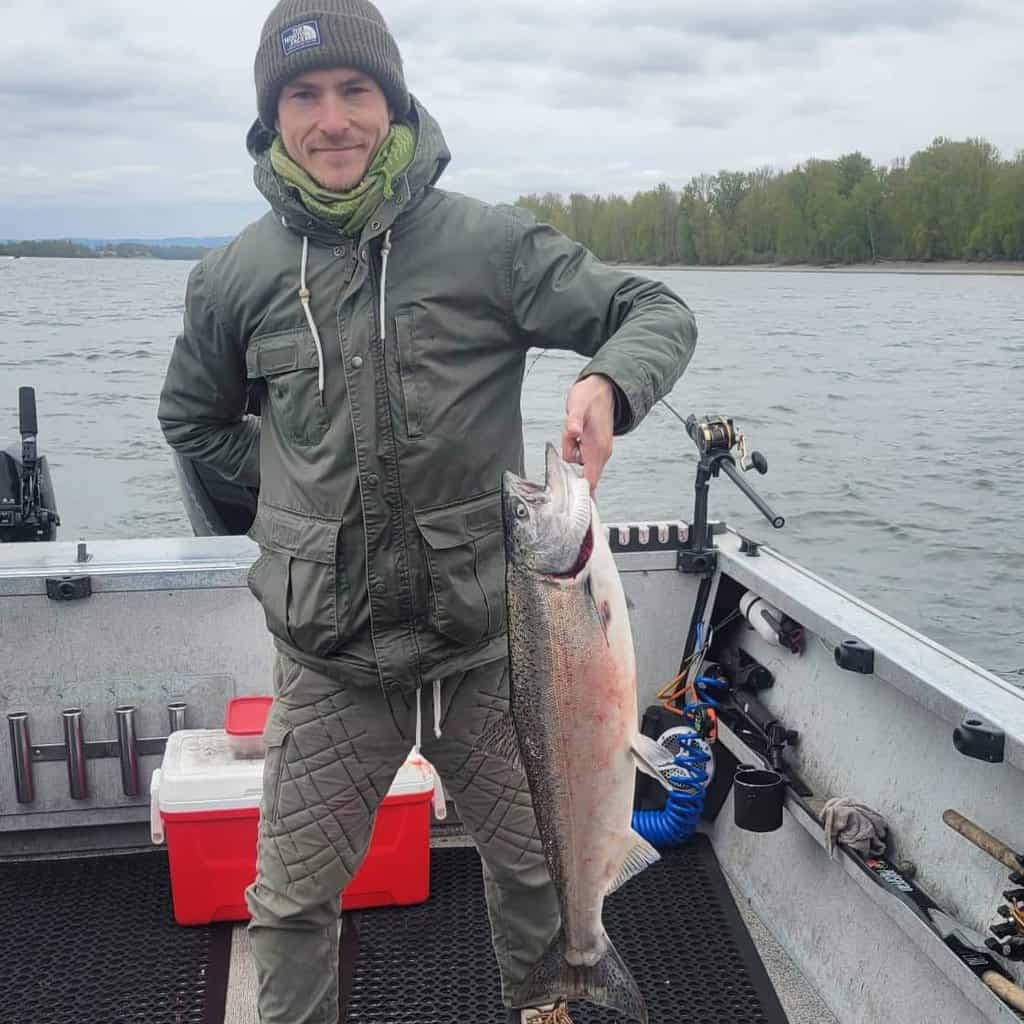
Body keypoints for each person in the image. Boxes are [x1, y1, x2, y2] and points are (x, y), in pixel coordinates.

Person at [158, 1, 697, 1021]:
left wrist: (606, 388)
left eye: (355, 91)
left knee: (540, 882)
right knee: (289, 904)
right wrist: (294, 495)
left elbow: (653, 308)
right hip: (329, 663)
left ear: (392, 102)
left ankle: (555, 1005)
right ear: (273, 119)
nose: (332, 120)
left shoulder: (486, 246)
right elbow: (192, 422)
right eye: (304, 96)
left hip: (490, 651)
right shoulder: (232, 277)